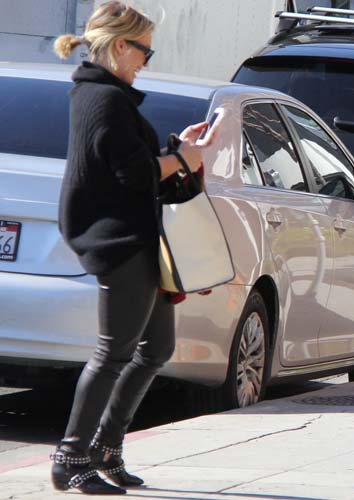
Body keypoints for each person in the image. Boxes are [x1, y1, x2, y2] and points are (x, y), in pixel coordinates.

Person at [51, 1, 215, 494]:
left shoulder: (110, 97)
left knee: (155, 349)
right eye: (145, 49)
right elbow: (134, 174)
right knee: (113, 352)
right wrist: (180, 158)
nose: (147, 59)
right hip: (118, 239)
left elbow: (141, 174)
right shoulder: (104, 100)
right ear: (121, 46)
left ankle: (106, 447)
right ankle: (71, 456)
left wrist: (180, 157)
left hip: (138, 237)